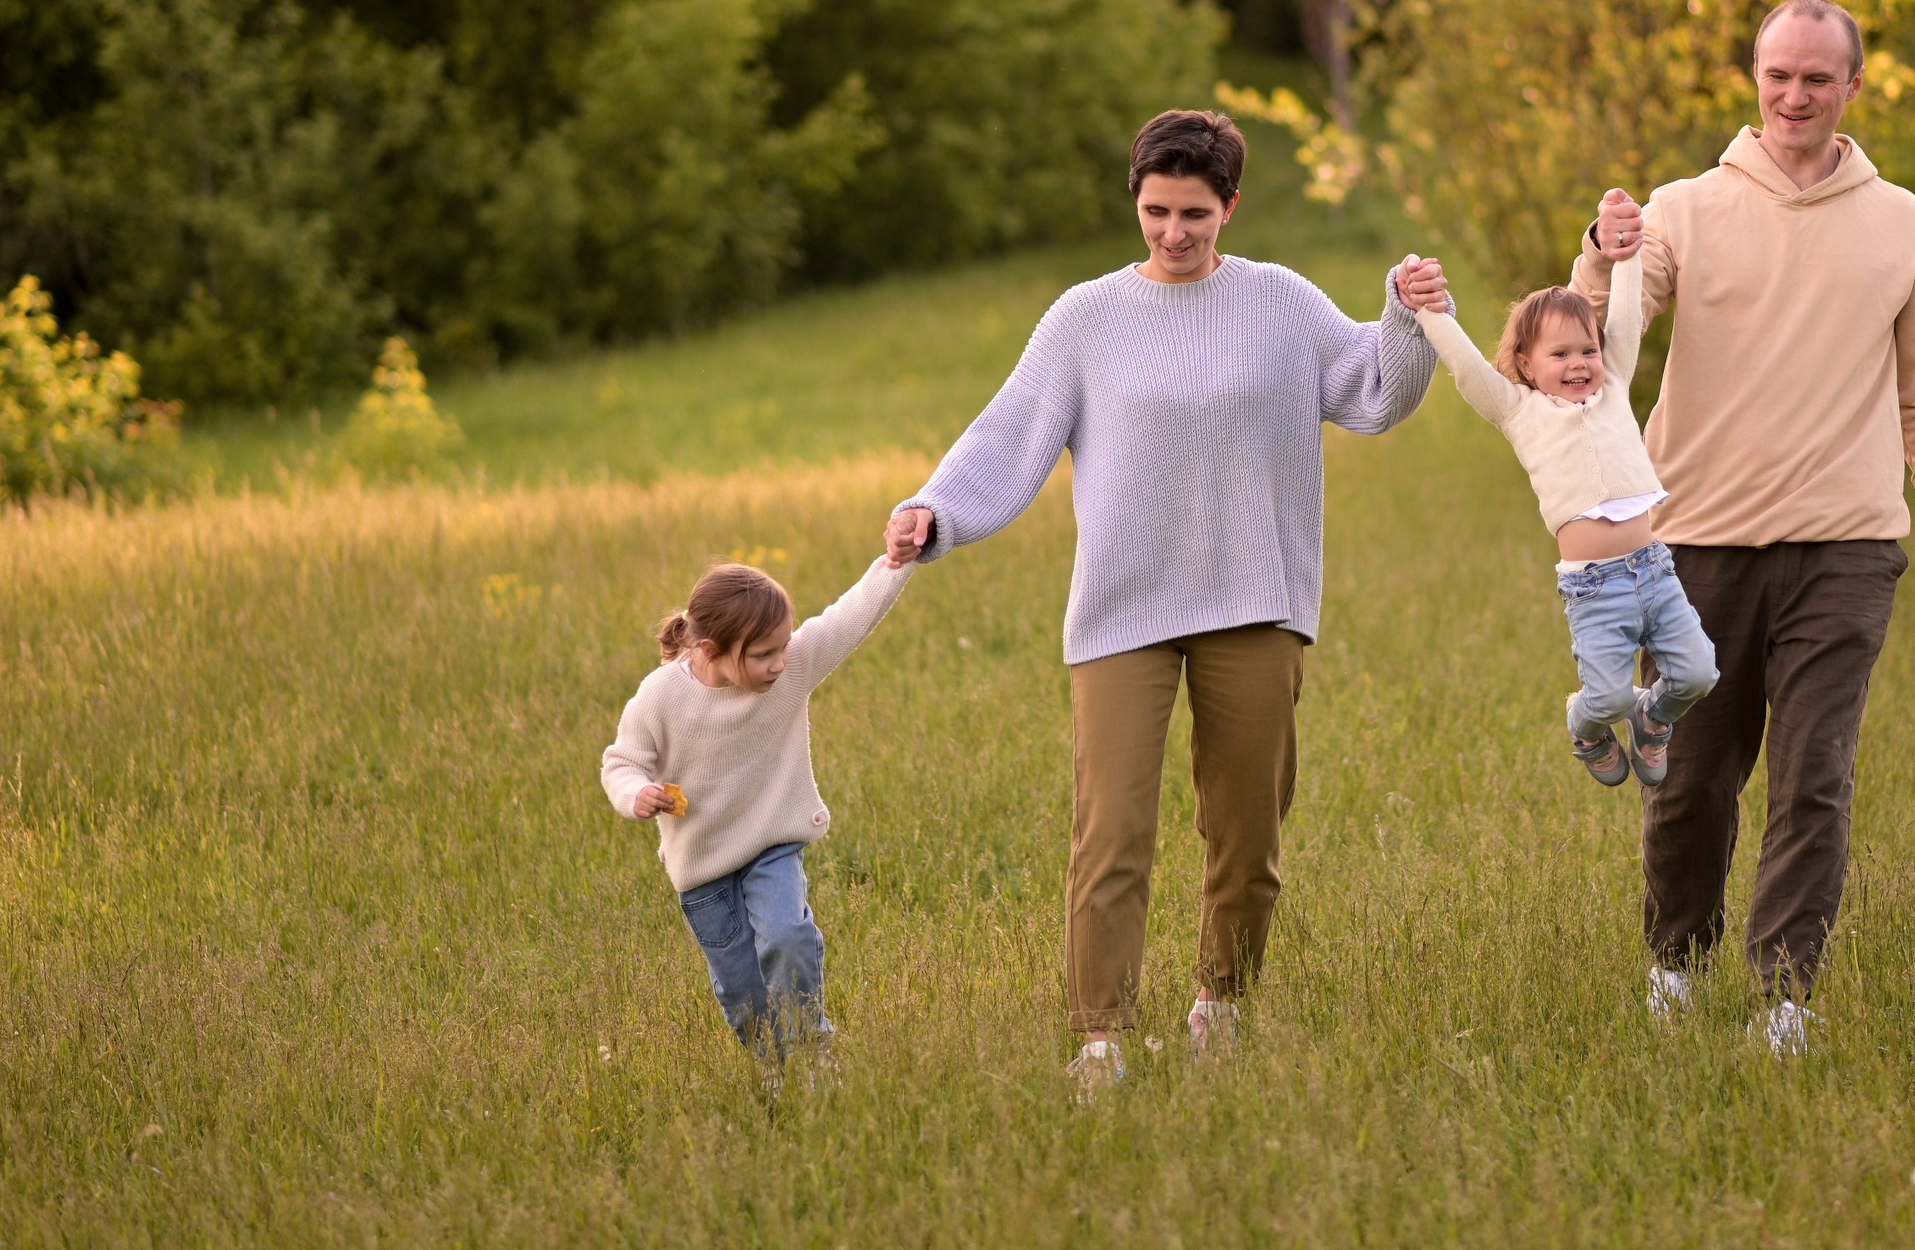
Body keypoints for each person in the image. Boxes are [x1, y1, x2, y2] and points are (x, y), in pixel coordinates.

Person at [883, 109, 1448, 1093]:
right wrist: (936, 508)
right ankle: (1100, 1037)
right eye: (1155, 211)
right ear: (1135, 203)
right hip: (1122, 612)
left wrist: (1406, 318)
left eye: (1193, 212)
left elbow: (1374, 393)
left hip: (1255, 601)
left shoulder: (1278, 302)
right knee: (1110, 832)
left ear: (1229, 206)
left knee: (1246, 835)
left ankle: (1220, 1006)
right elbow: (1008, 431)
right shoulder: (1086, 317)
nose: (1173, 232)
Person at [1568, 0, 1915, 1056]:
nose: (1792, 96)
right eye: (1776, 75)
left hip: (1844, 546)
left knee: (1814, 774)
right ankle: (1676, 963)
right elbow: (1601, 350)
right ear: (1753, 79)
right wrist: (1602, 255)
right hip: (1698, 543)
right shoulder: (1684, 208)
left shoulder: (1901, 222)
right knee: (1694, 779)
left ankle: (1787, 995)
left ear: (1851, 87)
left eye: (1815, 78)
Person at [1404, 260, 1717, 789]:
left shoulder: (1613, 385)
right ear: (1525, 365)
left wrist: (1627, 255)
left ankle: (1651, 719)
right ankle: (1587, 726)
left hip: (1655, 570)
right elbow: (1465, 366)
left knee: (1698, 674)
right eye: (1560, 354)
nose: (1580, 364)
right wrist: (1429, 311)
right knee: (1610, 696)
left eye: (1588, 351)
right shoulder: (1516, 410)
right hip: (1595, 587)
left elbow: (1622, 316)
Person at [600, 554, 915, 1065]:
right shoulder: (661, 696)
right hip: (703, 866)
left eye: (784, 647)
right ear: (710, 650)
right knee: (742, 988)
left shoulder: (788, 670)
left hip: (771, 844)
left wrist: (899, 562)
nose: (780, 664)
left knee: (788, 937)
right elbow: (623, 761)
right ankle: (772, 1067)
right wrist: (634, 793)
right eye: (764, 654)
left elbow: (849, 616)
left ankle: (813, 1053)